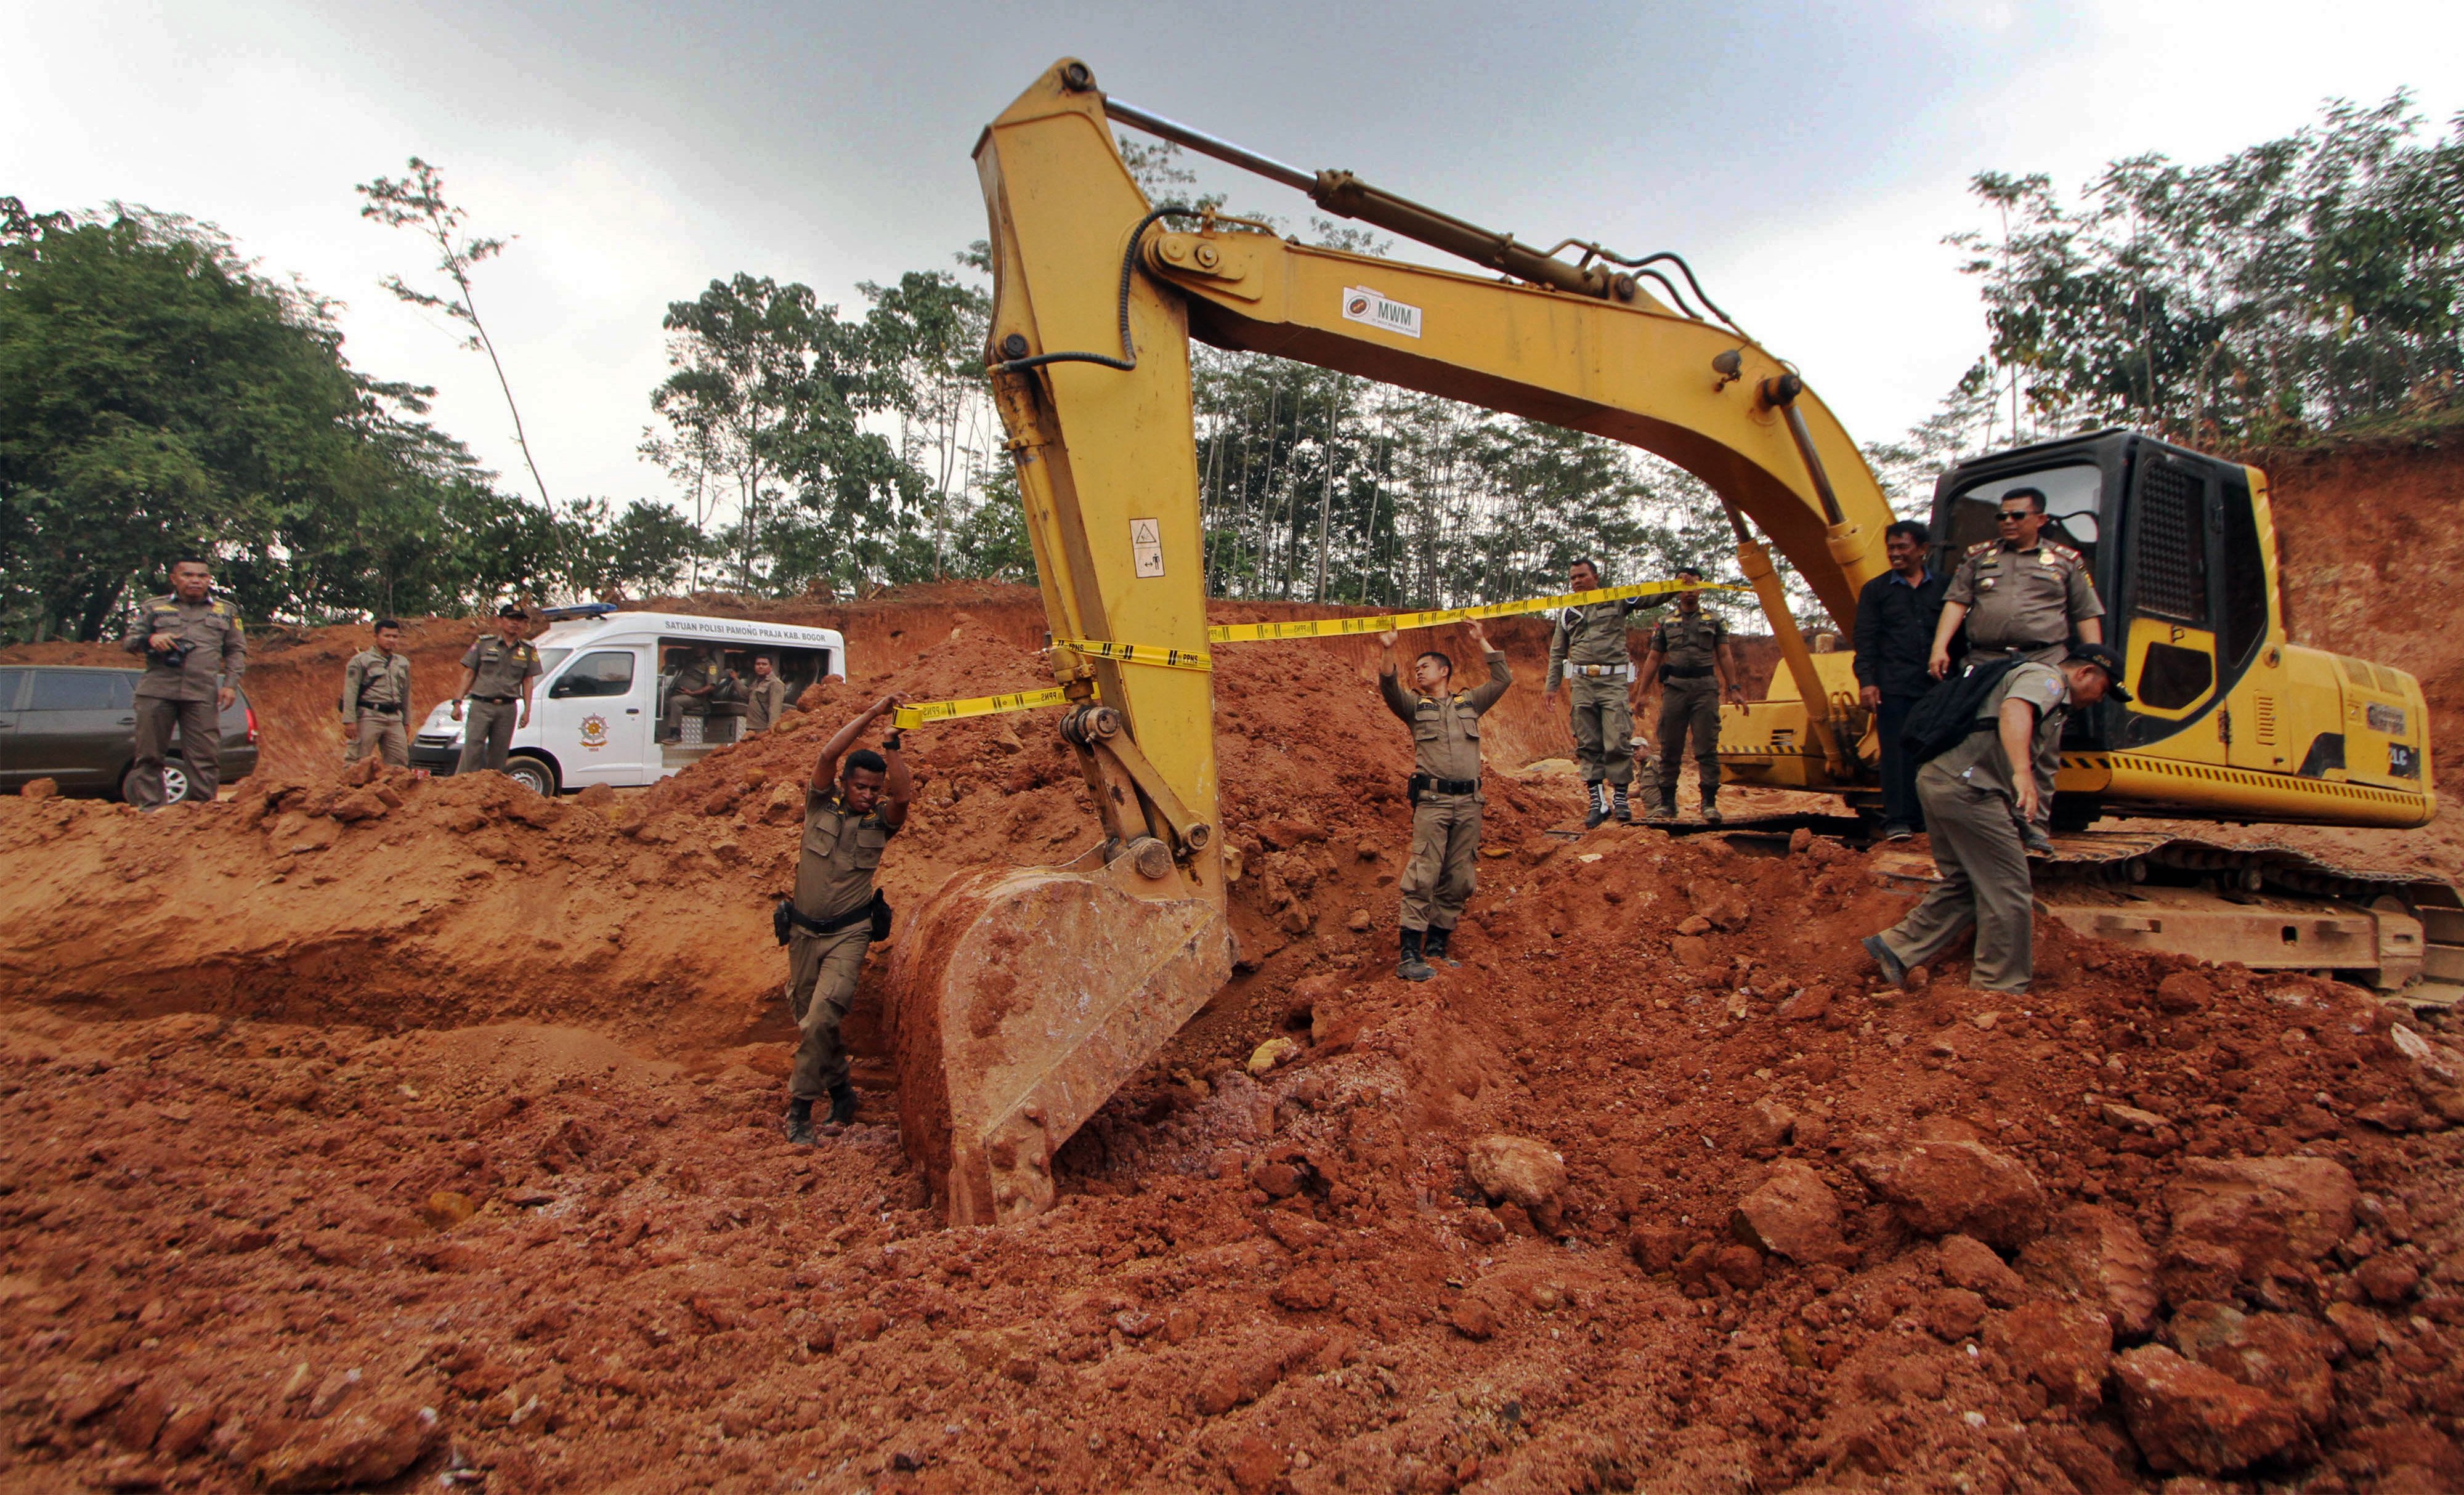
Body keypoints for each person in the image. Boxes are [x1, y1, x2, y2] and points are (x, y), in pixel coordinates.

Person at [1862, 643, 2128, 994]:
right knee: (2010, 888)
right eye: (2103, 689)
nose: (2099, 699)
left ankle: (1896, 947)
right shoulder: (2047, 681)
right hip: (1969, 789)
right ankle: (1999, 987)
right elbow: (2014, 709)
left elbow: (2045, 766)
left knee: (1966, 880)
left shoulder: (2055, 706)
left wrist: (2033, 826)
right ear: (2084, 673)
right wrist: (2020, 774)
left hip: (1941, 780)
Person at [1929, 485, 2105, 851]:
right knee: (1977, 738)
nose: (2007, 522)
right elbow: (1957, 602)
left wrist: (2092, 661)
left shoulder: (2065, 561)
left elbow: (2086, 613)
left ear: (2040, 519)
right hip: (1987, 662)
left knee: (2042, 747)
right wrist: (1940, 646)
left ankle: (2034, 826)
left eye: (2017, 515)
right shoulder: (1980, 557)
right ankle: (1977, 819)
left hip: (2044, 660)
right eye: (2002, 515)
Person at [779, 694, 911, 1143]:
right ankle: (843, 1094)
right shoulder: (820, 804)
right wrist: (873, 713)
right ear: (845, 784)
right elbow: (827, 755)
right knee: (812, 1021)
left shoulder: (881, 822)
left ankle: (799, 1111)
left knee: (820, 1019)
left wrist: (892, 747)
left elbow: (903, 795)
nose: (870, 795)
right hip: (801, 933)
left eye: (875, 789)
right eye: (862, 787)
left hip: (849, 935)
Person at [1379, 619, 1510, 982]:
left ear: (1444, 671)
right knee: (1423, 873)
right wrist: (1389, 648)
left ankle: (1437, 949)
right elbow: (1389, 686)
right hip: (1433, 802)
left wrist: (1482, 640)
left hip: (1470, 803)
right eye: (1416, 669)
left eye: (1424, 667)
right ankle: (1409, 955)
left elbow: (1503, 680)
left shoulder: (1470, 703)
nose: (1418, 673)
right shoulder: (1414, 708)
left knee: (1460, 878)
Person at [120, 556, 246, 808]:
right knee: (149, 754)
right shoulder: (153, 608)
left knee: (205, 755)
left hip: (201, 692)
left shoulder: (227, 611)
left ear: (209, 579)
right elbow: (129, 642)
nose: (196, 581)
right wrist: (151, 640)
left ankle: (203, 809)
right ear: (174, 579)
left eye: (202, 576)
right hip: (157, 690)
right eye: (188, 575)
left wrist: (231, 684)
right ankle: (151, 809)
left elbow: (236, 650)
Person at [1853, 521, 1951, 841]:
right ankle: (1898, 820)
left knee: (1937, 753)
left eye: (1902, 547)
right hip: (1893, 686)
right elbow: (1865, 640)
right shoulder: (1876, 591)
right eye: (1891, 548)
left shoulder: (1946, 589)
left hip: (1938, 687)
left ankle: (1932, 818)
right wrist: (1867, 681)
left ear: (1923, 549)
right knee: (1896, 755)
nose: (1895, 554)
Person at [1544, 557, 1656, 828]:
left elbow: (1648, 597)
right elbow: (1558, 651)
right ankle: (1598, 803)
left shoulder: (1615, 599)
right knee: (1588, 742)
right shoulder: (1567, 610)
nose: (1577, 582)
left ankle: (1620, 798)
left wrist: (1678, 586)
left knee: (1617, 739)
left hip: (1613, 680)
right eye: (1572, 578)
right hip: (1582, 682)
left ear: (1595, 577)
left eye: (1582, 576)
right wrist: (1551, 685)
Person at [1637, 568, 1749, 824]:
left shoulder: (1714, 620)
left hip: (1705, 688)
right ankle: (1667, 803)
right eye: (1683, 585)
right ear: (1677, 589)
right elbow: (1654, 657)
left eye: (1694, 585)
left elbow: (1724, 655)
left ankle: (1709, 804)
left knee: (1706, 748)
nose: (1689, 589)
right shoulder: (1666, 622)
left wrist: (1735, 689)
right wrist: (1641, 694)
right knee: (1670, 747)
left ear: (1702, 588)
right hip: (1675, 689)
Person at [452, 605, 542, 776]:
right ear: (500, 621)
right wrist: (457, 702)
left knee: (499, 755)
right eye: (510, 619)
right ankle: (464, 789)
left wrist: (527, 710)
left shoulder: (528, 650)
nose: (515, 624)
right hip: (481, 704)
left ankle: (492, 793)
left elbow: (528, 681)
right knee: (472, 749)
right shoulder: (484, 644)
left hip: (507, 708)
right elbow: (469, 674)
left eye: (519, 620)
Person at [340, 618, 413, 768]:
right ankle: (352, 791)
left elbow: (405, 694)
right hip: (369, 715)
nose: (391, 640)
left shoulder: (402, 663)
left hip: (394, 717)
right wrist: (349, 721)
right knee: (356, 761)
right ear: (376, 636)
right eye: (387, 636)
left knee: (399, 763)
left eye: (395, 636)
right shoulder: (361, 661)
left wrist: (406, 721)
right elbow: (350, 691)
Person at [662, 645, 718, 742]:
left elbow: (711, 686)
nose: (697, 649)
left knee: (676, 701)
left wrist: (693, 693)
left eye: (700, 647)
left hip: (697, 698)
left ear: (707, 649)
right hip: (680, 693)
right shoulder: (690, 661)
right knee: (660, 699)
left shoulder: (711, 666)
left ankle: (676, 734)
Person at [744, 655, 793, 734]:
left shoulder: (775, 683)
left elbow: (775, 708)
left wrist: (772, 729)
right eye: (758, 664)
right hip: (752, 727)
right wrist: (735, 679)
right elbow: (746, 694)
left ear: (771, 667)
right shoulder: (757, 682)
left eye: (764, 664)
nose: (761, 666)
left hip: (763, 729)